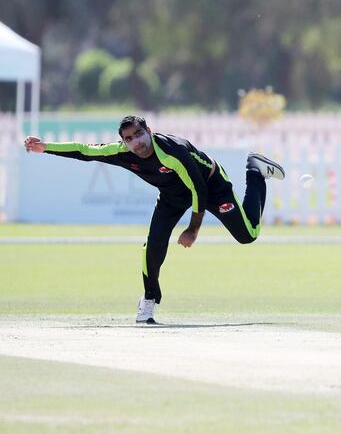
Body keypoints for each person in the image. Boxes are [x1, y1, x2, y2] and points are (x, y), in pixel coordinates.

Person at [23, 115, 285, 324]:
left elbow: (198, 190)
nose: (136, 142)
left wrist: (193, 230)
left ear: (149, 130)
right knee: (154, 244)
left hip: (210, 186)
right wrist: (45, 147)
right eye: (129, 139)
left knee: (247, 235)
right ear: (124, 143)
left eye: (139, 134)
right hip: (172, 196)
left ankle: (254, 169)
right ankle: (149, 299)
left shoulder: (172, 152)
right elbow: (84, 150)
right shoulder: (122, 152)